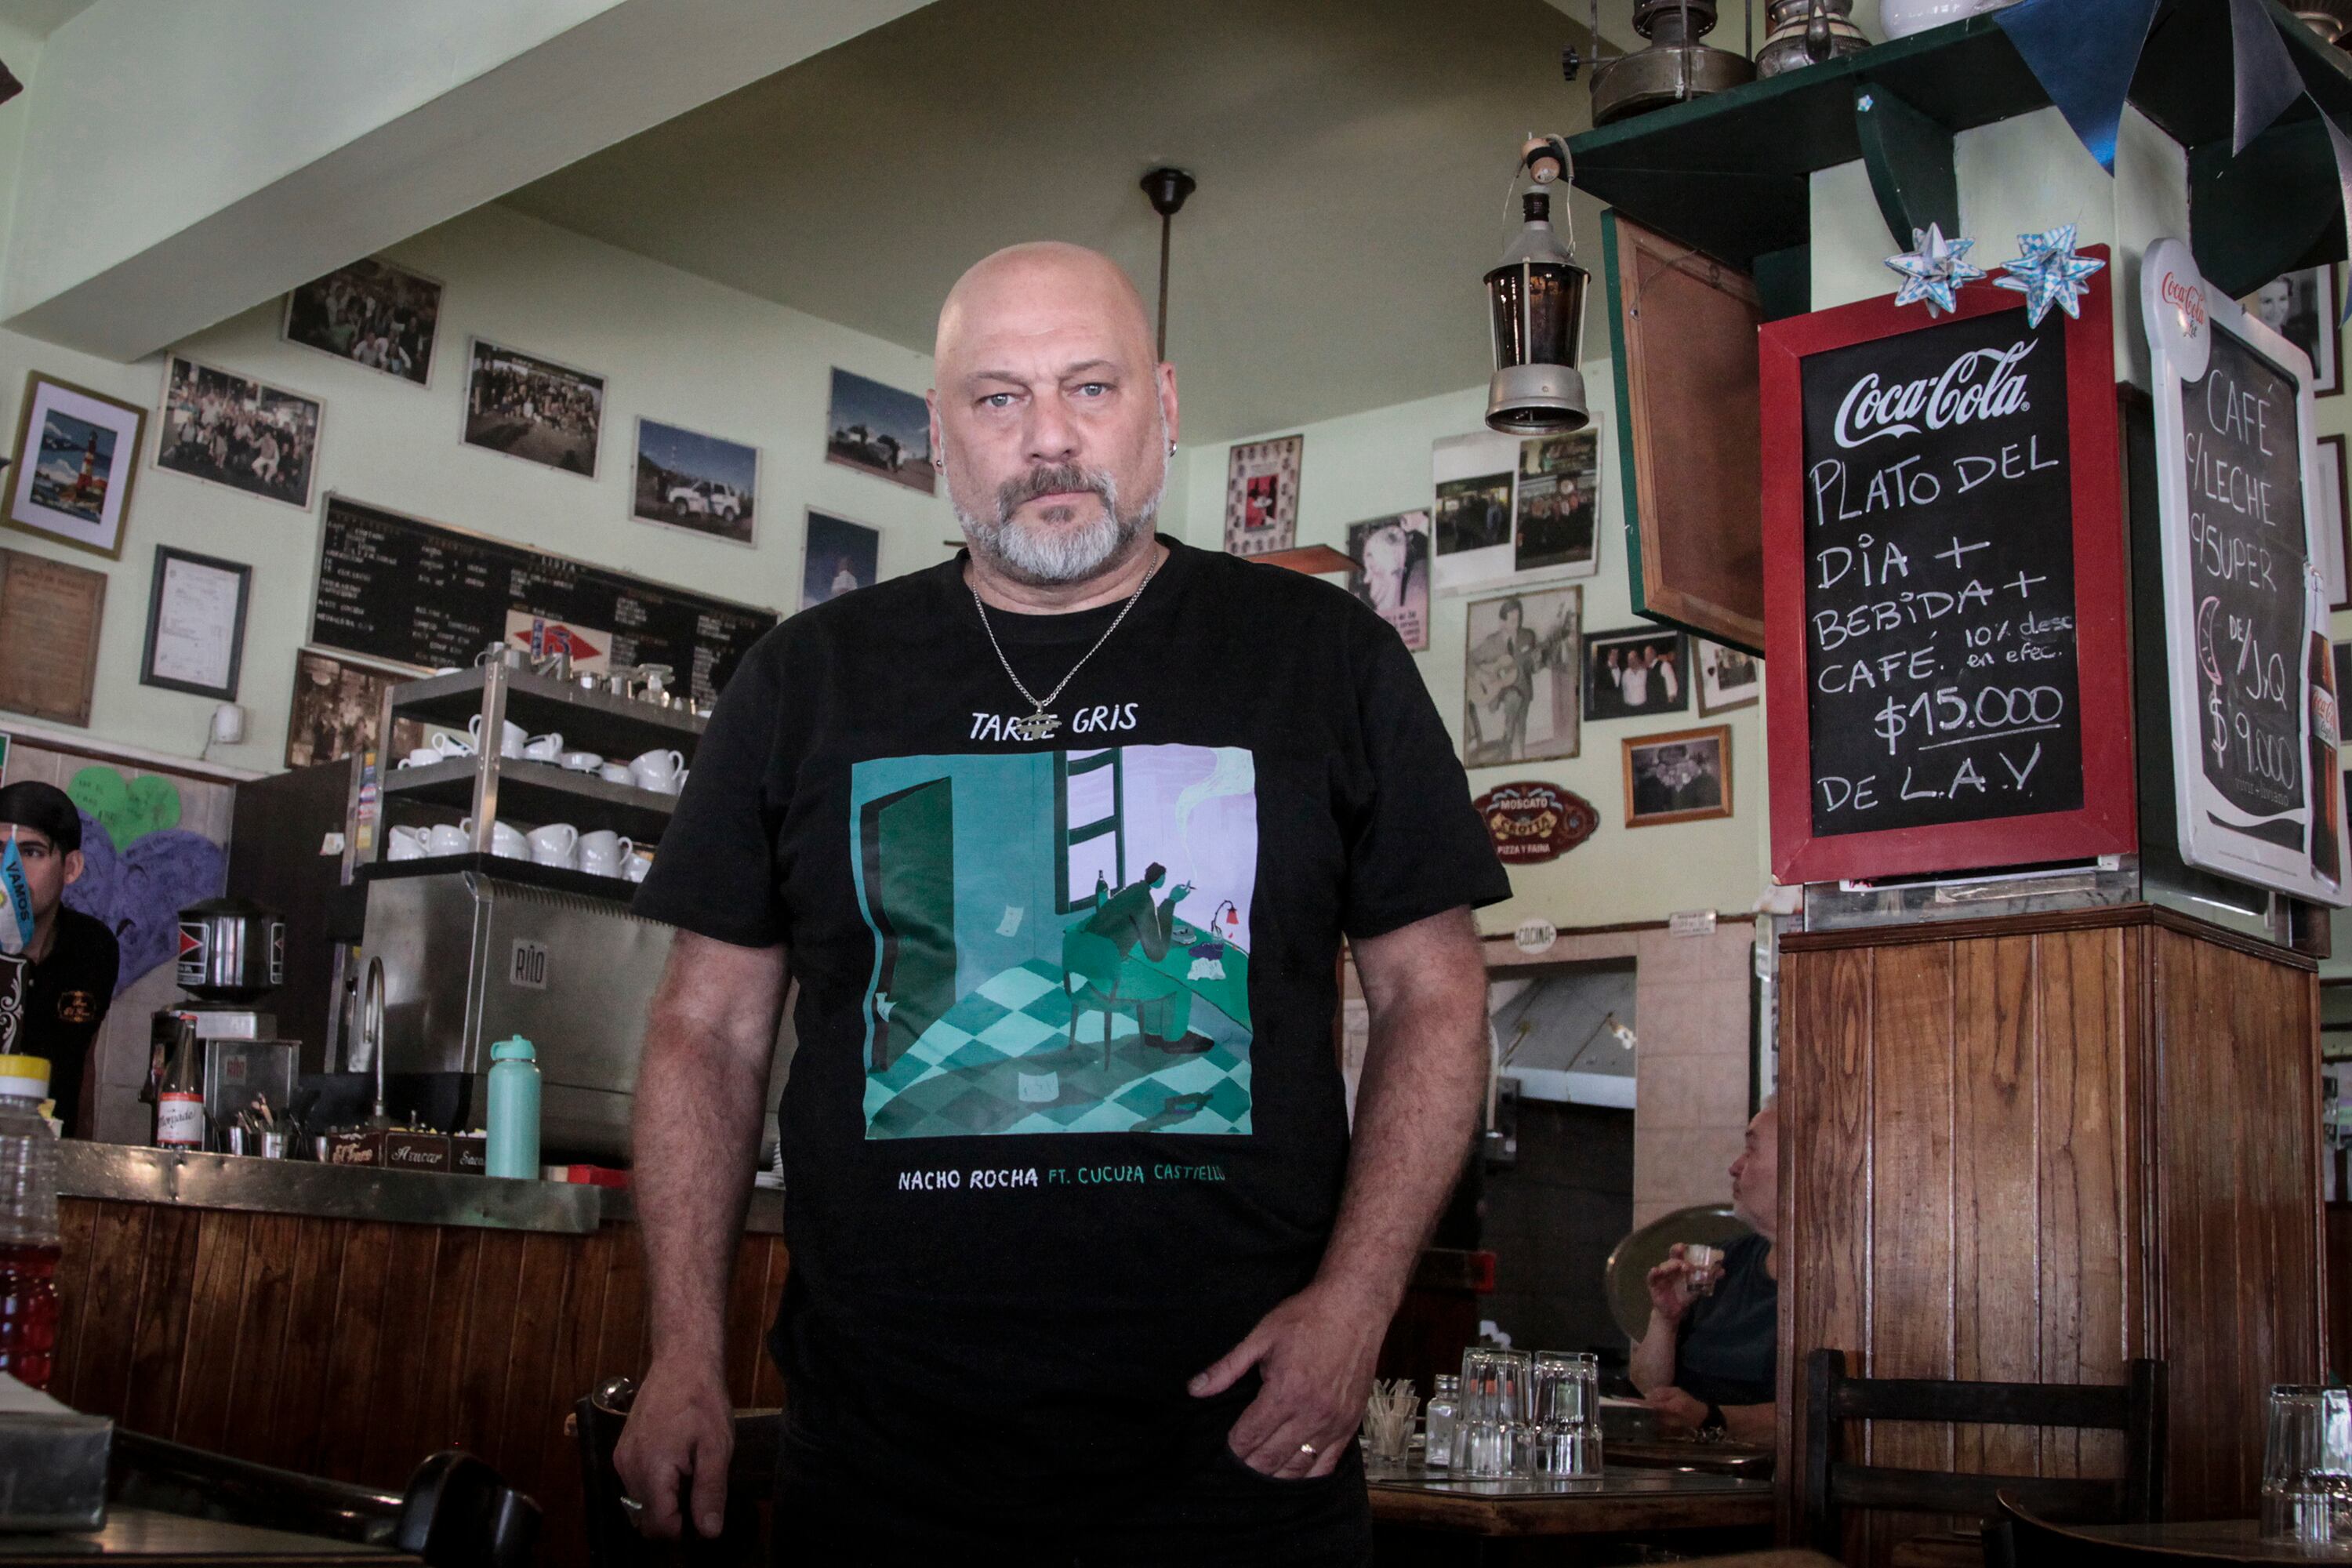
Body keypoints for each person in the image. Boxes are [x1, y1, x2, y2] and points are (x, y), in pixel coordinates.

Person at [617, 241, 1508, 1565]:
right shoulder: (806, 681)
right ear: (937, 435)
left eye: (1089, 389)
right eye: (998, 399)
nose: (1048, 440)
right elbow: (708, 1030)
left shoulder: (1322, 662)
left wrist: (1358, 1303)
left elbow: (1435, 996)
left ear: (1164, 406)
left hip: (1240, 1454)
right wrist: (682, 1347)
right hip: (880, 1463)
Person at [1629, 1099, 1779, 1444]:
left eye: (1751, 1151)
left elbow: (1822, 1416)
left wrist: (1712, 1420)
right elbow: (1649, 1392)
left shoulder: (1838, 1288)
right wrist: (1665, 1320)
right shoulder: (1724, 1263)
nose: (1734, 1166)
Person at [0, 782, 118, 1138]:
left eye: (31, 852)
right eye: (0, 851)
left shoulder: (93, 948)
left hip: (47, 1163)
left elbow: (84, 1063)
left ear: (71, 867)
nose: (11, 871)